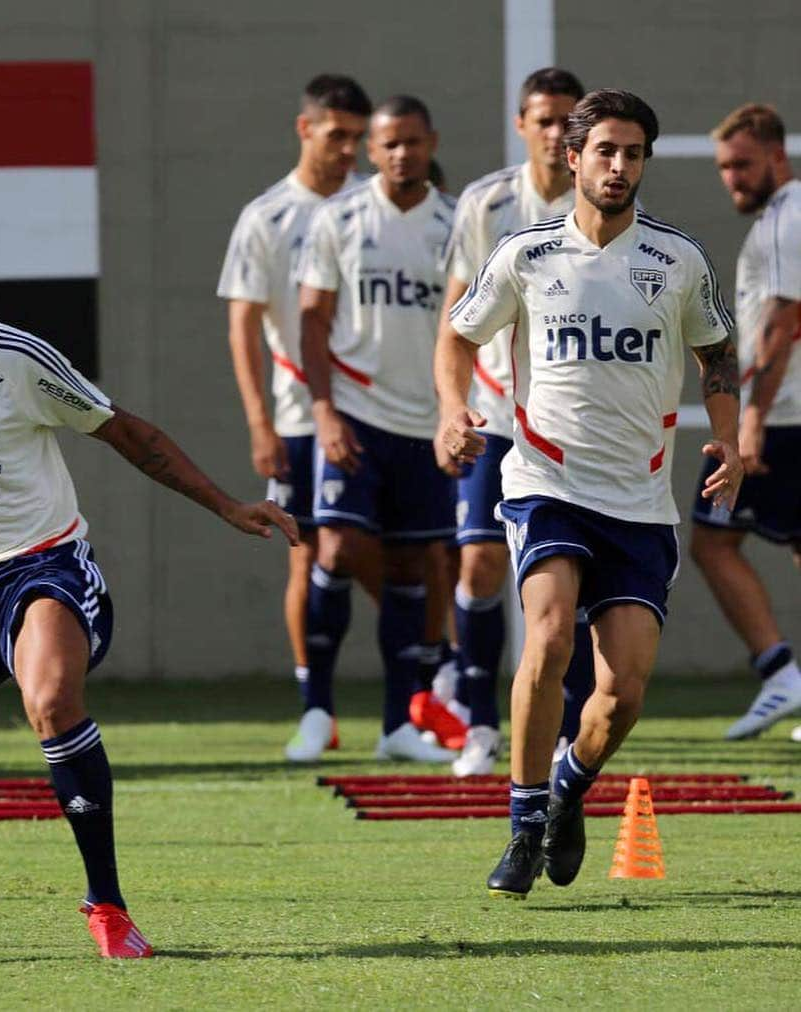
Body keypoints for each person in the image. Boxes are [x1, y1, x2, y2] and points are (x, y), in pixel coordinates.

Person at [0, 225, 296, 957]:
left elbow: (127, 434)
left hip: (44, 569)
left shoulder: (11, 358)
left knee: (48, 699)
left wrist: (228, 504)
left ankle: (107, 906)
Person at [437, 89, 741, 896]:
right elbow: (458, 333)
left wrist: (731, 437)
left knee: (623, 691)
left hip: (640, 500)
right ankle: (523, 823)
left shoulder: (678, 260)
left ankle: (570, 785)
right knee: (547, 638)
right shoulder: (525, 254)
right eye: (605, 150)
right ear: (572, 158)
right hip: (544, 479)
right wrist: (451, 408)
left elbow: (717, 353)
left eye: (633, 152)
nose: (619, 166)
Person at [436, 67, 594, 777]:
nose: (557, 132)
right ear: (521, 123)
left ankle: (569, 728)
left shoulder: (605, 203)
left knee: (576, 576)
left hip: (576, 420)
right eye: (545, 119)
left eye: (570, 120)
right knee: (478, 559)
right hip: (498, 411)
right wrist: (451, 406)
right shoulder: (486, 202)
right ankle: (477, 723)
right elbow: (455, 315)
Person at [217, 74, 379, 760]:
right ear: (304, 128)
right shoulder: (267, 217)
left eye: (357, 138)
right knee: (308, 552)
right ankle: (317, 708)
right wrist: (259, 421)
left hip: (382, 411)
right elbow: (243, 326)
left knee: (403, 555)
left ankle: (430, 689)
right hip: (298, 416)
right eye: (336, 134)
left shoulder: (376, 208)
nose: (348, 150)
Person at [297, 95, 458, 761]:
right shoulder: (338, 220)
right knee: (333, 549)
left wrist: (456, 413)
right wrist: (325, 410)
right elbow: (311, 319)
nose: (401, 154)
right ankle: (316, 712)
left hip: (425, 423)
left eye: (412, 142)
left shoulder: (456, 225)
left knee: (410, 563)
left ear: (429, 143)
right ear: (372, 149)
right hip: (356, 415)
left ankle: (398, 725)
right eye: (388, 143)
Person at [689, 103, 801, 740]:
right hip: (784, 410)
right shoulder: (780, 218)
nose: (731, 178)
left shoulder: (787, 217)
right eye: (724, 168)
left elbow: (784, 322)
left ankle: (779, 671)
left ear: (776, 156)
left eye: (742, 164)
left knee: (711, 540)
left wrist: (750, 420)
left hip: (779, 415)